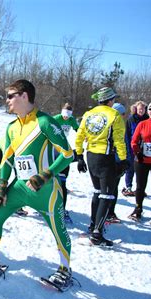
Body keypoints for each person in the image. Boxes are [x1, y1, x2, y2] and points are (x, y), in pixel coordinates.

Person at [0, 79, 74, 289]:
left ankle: (65, 270)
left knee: (58, 229)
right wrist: (0, 190)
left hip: (46, 192)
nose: (7, 100)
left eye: (10, 95)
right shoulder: (12, 127)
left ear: (24, 96)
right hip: (20, 188)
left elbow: (68, 155)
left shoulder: (45, 122)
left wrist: (45, 175)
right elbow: (6, 161)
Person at [75, 87, 128, 246]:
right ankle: (97, 234)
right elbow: (119, 140)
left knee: (98, 192)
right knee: (107, 195)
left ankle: (93, 226)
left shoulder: (88, 114)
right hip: (105, 157)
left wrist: (79, 155)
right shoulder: (114, 115)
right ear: (110, 100)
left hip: (90, 156)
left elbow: (79, 135)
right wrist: (124, 160)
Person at [128, 100, 151, 226]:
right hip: (142, 161)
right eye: (150, 109)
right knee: (140, 186)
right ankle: (138, 209)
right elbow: (134, 141)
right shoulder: (142, 124)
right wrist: (138, 153)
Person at [53, 103, 80, 223]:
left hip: (64, 146)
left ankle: (61, 207)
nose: (65, 118)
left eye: (67, 116)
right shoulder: (55, 118)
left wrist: (82, 135)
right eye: (64, 115)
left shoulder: (72, 120)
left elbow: (78, 129)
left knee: (62, 176)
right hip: (53, 145)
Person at [106, 103, 128, 223]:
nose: (122, 116)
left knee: (113, 188)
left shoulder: (121, 126)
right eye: (121, 114)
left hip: (115, 161)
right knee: (108, 189)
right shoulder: (110, 125)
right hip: (109, 160)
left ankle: (110, 212)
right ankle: (106, 213)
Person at [122, 101, 148, 196]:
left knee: (141, 170)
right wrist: (128, 149)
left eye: (143, 108)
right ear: (135, 109)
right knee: (130, 168)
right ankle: (128, 187)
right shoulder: (131, 119)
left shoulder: (147, 119)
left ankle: (140, 188)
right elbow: (127, 135)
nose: (141, 110)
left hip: (144, 148)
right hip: (132, 147)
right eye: (139, 108)